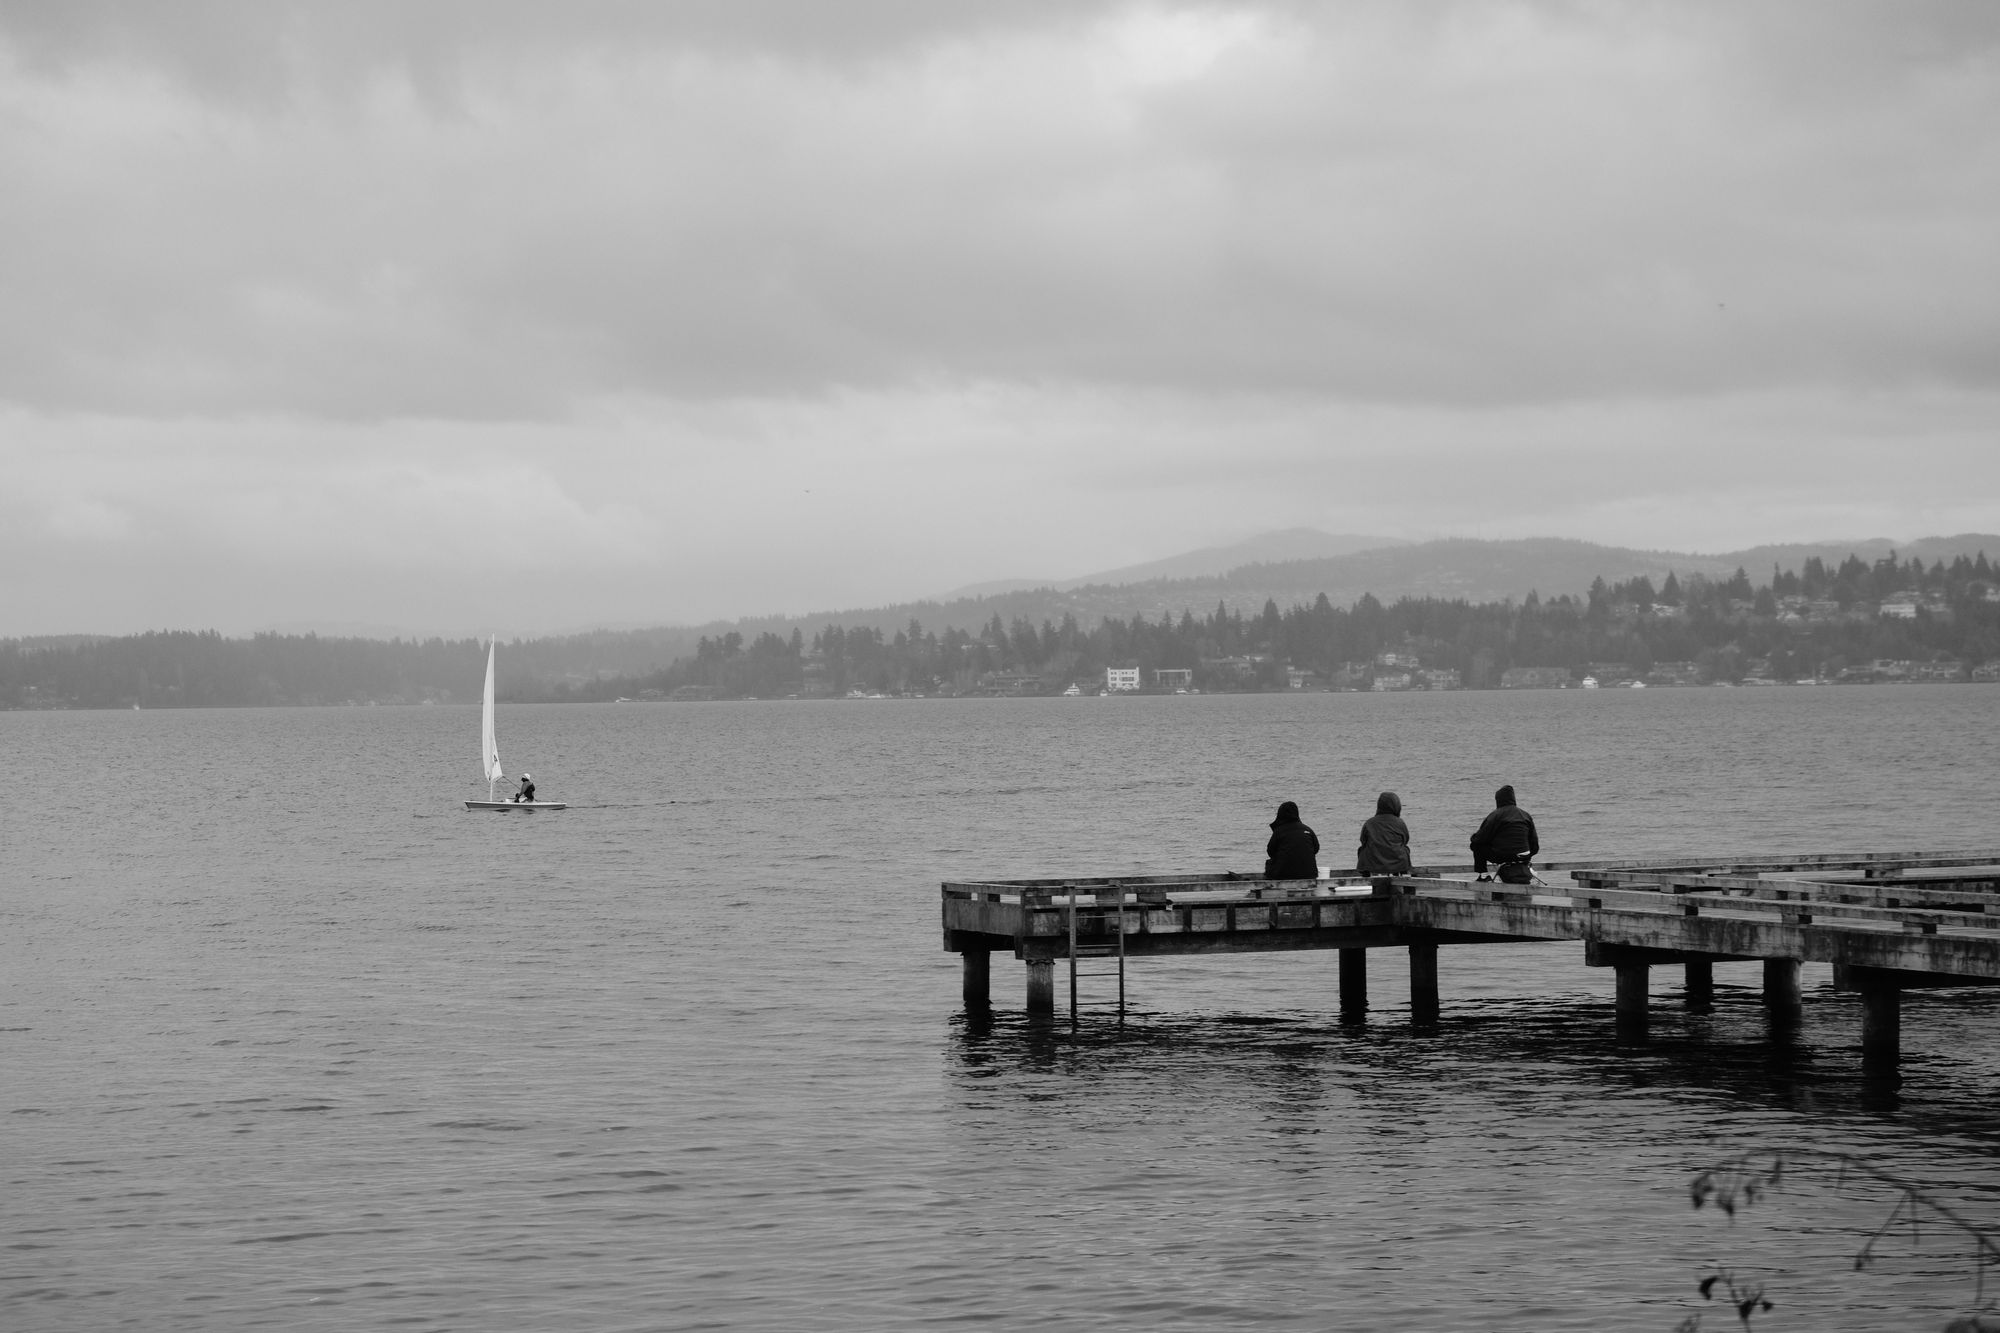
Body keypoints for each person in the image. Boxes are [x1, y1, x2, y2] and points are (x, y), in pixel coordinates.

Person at [1470, 784, 1539, 884]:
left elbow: (1479, 839)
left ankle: (1483, 875)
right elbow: (1534, 845)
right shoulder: (1526, 815)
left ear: (1498, 800)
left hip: (1504, 856)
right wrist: (1525, 855)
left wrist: (1473, 837)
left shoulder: (1495, 815)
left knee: (1476, 845)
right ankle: (1525, 867)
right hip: (1524, 857)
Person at [1356, 791, 1412, 876]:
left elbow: (1363, 840)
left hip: (1373, 864)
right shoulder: (1400, 823)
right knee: (1405, 849)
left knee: (1362, 850)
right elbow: (1405, 840)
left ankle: (1366, 875)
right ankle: (1400, 874)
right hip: (1398, 864)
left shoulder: (1370, 823)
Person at [1265, 800, 1321, 880]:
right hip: (1310, 874)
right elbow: (1316, 848)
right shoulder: (1307, 829)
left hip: (1283, 875)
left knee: (1270, 864)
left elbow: (1270, 852)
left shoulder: (1279, 831)